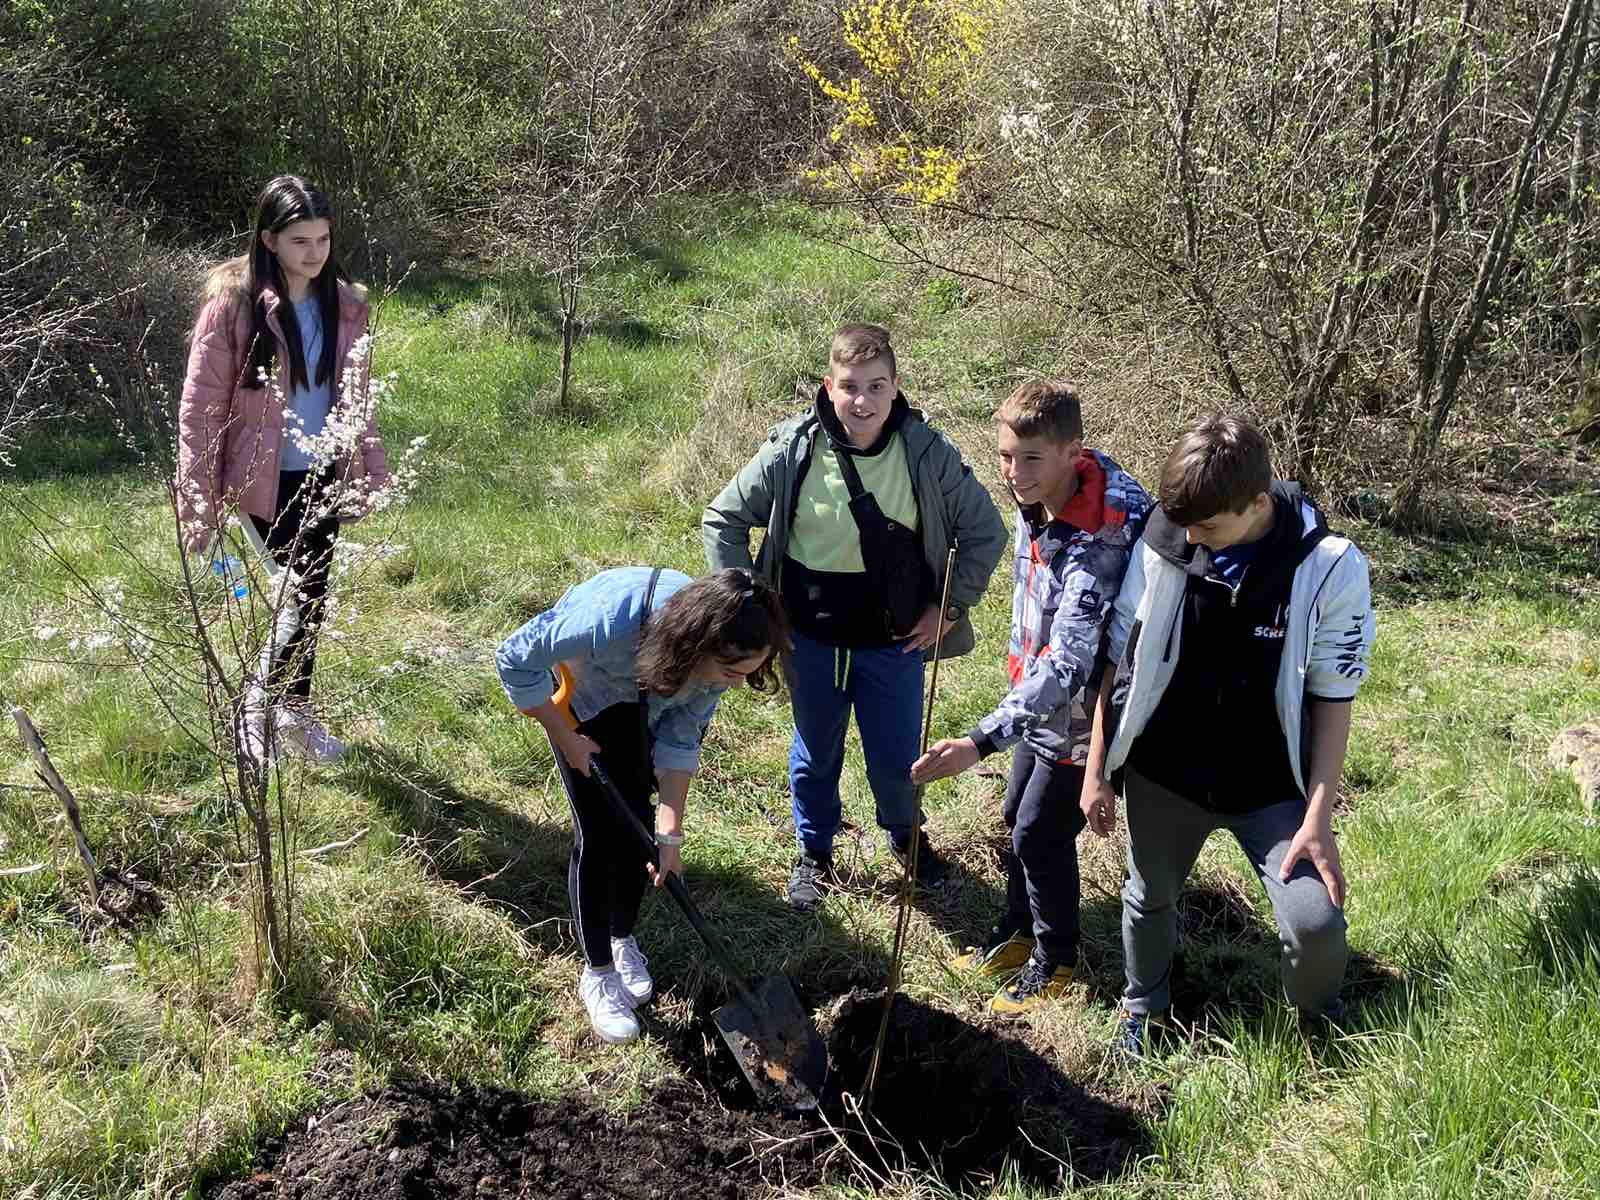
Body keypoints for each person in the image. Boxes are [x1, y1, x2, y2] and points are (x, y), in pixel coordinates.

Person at [1079, 415, 1376, 1055]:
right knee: (1148, 897)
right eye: (1183, 523)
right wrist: (1097, 768)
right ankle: (1144, 1008)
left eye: (1209, 528)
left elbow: (1334, 695)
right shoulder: (1165, 537)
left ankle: (1320, 1022)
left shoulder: (1328, 566)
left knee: (1315, 923)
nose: (1192, 539)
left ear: (1258, 504)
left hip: (1270, 785)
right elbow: (1118, 660)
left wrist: (1318, 818)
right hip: (1165, 772)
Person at [703, 322, 1007, 911]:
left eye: (876, 386)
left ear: (896, 386)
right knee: (816, 753)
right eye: (849, 386)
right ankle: (814, 853)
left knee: (896, 757)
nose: (862, 401)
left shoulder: (927, 453)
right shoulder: (793, 449)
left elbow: (985, 532)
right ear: (829, 386)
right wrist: (748, 607)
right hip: (808, 639)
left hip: (893, 643)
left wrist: (948, 606)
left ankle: (908, 841)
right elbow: (724, 519)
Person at [911, 380, 1150, 1015]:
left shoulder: (1102, 536)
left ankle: (1056, 958)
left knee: (1041, 833)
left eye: (1030, 459)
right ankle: (1016, 932)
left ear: (1073, 450)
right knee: (1017, 815)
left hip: (1087, 712)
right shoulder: (1045, 491)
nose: (1013, 473)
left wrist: (978, 741)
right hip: (1036, 699)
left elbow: (1071, 664)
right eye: (1005, 457)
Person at [496, 566, 789, 1044]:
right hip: (584, 702)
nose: (736, 684)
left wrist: (669, 835)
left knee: (637, 829)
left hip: (647, 703)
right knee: (598, 834)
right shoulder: (607, 621)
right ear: (697, 645)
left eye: (747, 673)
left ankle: (621, 937)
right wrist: (566, 736)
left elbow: (681, 738)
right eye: (732, 673)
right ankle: (597, 972)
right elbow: (514, 657)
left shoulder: (723, 654)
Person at [176, 174, 389, 762]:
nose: (314, 253)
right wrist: (198, 502)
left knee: (311, 598)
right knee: (284, 599)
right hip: (260, 481)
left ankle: (293, 714)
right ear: (269, 240)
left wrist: (370, 470)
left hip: (324, 474)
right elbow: (200, 410)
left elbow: (359, 399)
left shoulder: (346, 306)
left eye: (323, 238)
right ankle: (253, 715)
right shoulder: (233, 308)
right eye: (300, 241)